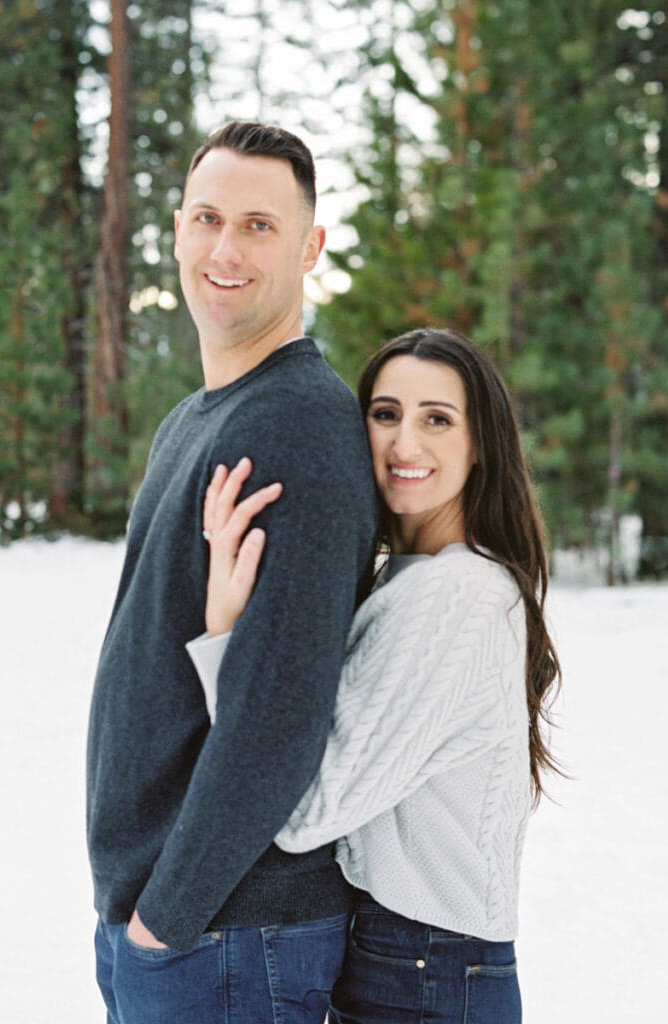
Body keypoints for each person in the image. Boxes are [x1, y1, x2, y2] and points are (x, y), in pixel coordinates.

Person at [85, 121, 378, 1024]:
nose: (225, 249)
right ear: (176, 230)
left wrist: (166, 921)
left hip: (228, 937)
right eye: (208, 218)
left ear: (309, 247)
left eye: (259, 225)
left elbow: (278, 722)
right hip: (180, 927)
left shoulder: (297, 424)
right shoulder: (197, 417)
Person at [191, 327, 562, 1023]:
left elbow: (304, 815)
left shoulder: (454, 595)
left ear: (479, 443)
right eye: (385, 413)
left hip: (422, 973)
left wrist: (226, 633)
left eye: (436, 419)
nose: (404, 445)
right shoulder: (414, 580)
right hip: (407, 963)